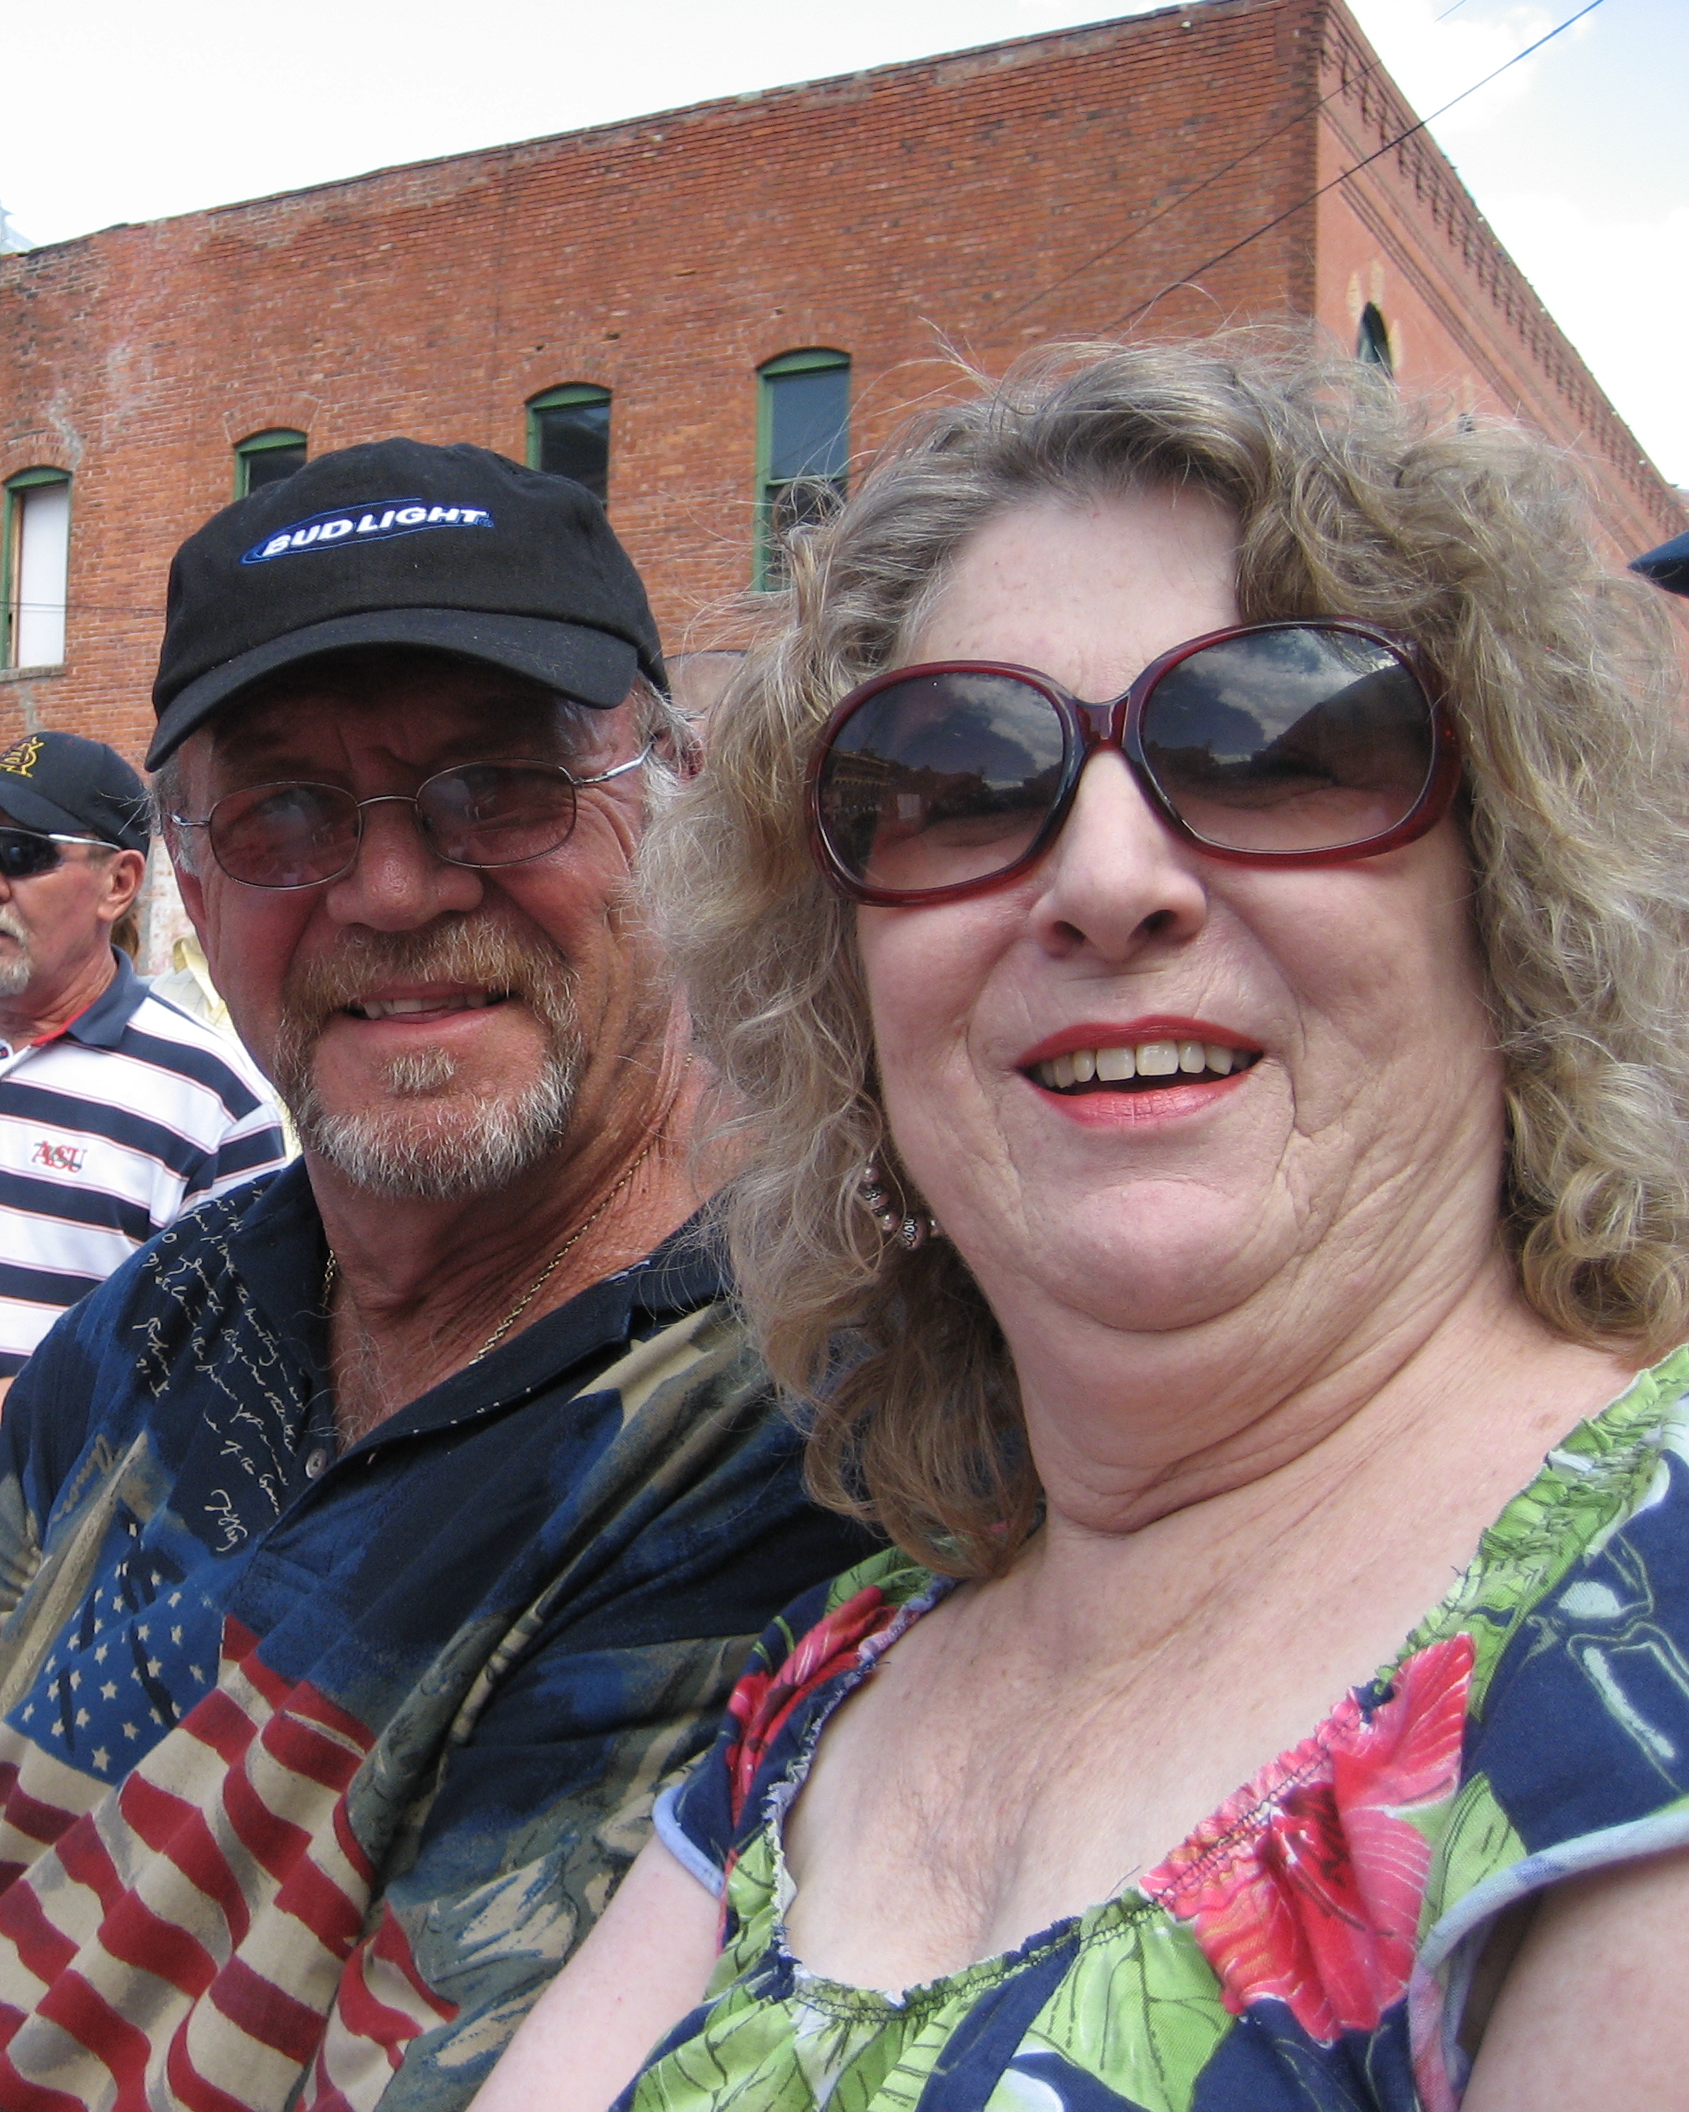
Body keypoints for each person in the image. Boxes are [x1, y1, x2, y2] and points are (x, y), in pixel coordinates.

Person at [474, 339, 1689, 2112]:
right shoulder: (823, 1694)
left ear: (1503, 895)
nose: (1109, 880)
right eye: (960, 784)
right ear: (846, 989)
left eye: (1279, 745)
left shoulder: (1644, 1639)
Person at [0, 439, 872, 2112]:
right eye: (284, 814)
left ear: (670, 800)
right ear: (190, 881)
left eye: (499, 783)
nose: (392, 887)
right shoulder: (140, 1332)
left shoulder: (801, 1427)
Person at [0, 729, 288, 1445]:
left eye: (21, 853)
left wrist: (46, 1401)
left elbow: (235, 1359)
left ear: (119, 884)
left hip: (59, 1504)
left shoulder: (212, 1095)